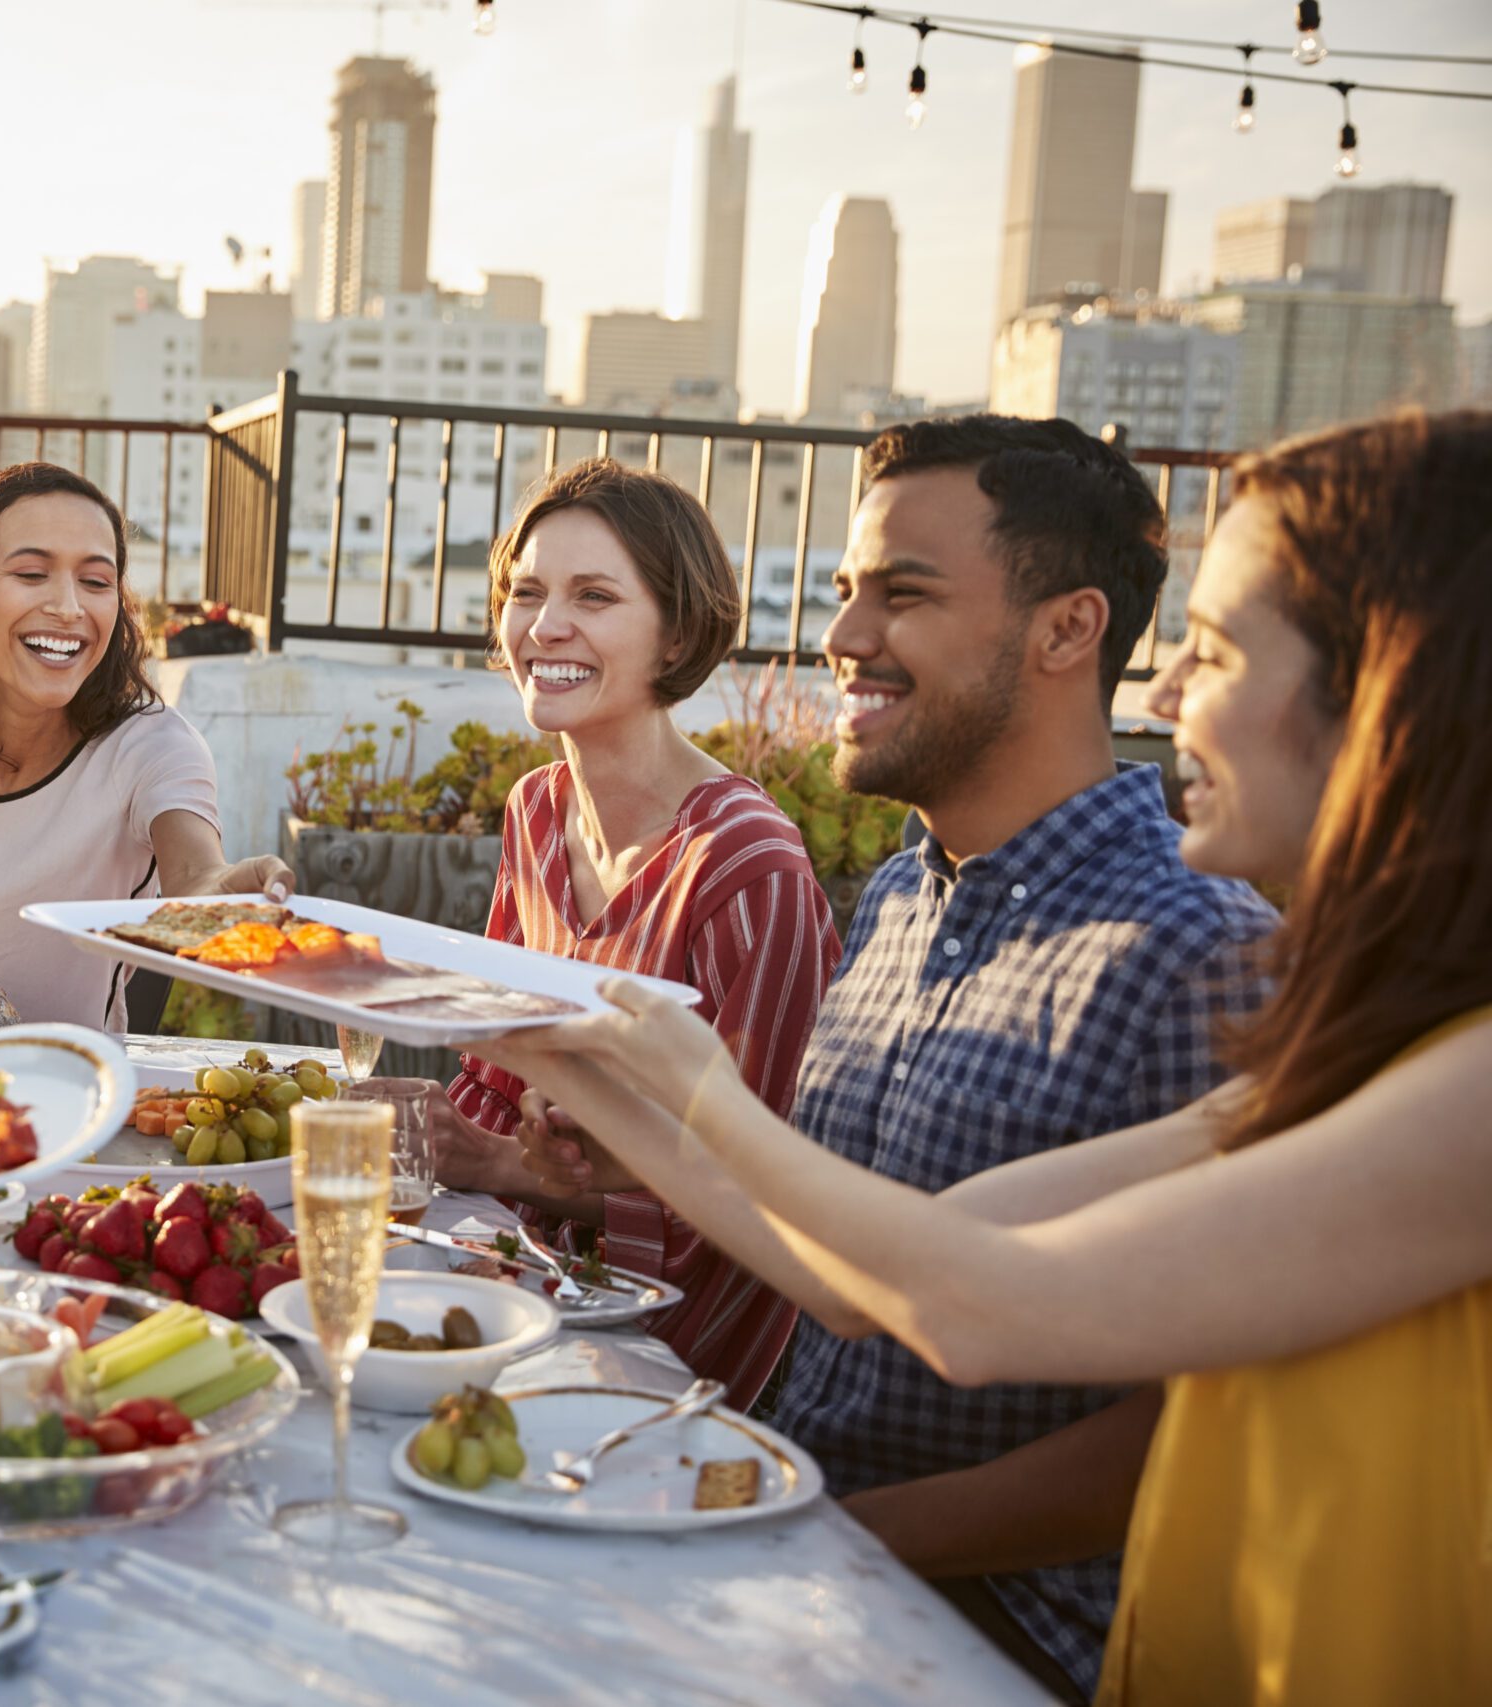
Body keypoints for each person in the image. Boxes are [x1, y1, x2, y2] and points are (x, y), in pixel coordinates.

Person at [487, 410, 1492, 1704]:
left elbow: (967, 1301)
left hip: (996, 1637)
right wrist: (566, 1054)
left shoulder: (1411, 1063)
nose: (1170, 691)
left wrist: (688, 1081)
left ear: (1400, 696)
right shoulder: (1349, 1047)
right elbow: (873, 1271)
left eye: (1219, 649)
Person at [423, 459, 838, 1403]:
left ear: (678, 633)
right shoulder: (537, 808)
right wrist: (439, 1134)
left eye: (595, 596)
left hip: (677, 1360)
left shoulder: (746, 866)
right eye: (525, 592)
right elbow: (497, 1071)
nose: (544, 626)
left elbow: (762, 1198)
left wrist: (489, 1165)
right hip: (531, 1285)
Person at [0, 462, 288, 1030]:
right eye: (32, 574)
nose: (69, 607)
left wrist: (221, 898)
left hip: (69, 1095)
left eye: (95, 582)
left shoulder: (152, 746)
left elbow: (194, 872)